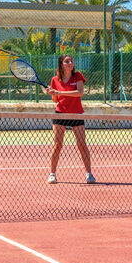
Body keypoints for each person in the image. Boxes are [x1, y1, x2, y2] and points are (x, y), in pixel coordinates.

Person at [45, 54, 95, 184]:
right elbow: (56, 100)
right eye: (67, 61)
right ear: (61, 64)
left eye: (71, 61)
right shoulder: (55, 80)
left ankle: (89, 174)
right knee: (57, 145)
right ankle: (52, 174)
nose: (70, 63)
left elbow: (80, 92)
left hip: (76, 114)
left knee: (82, 145)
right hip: (60, 114)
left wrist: (60, 92)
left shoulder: (77, 76)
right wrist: (53, 94)